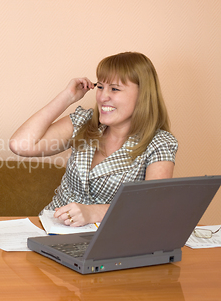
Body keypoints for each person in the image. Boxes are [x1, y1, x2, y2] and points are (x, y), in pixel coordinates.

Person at [10, 52, 178, 227]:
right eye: (100, 86)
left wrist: (94, 213)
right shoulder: (84, 121)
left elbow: (152, 206)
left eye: (114, 89)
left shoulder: (159, 143)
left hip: (109, 241)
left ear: (143, 94)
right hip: (50, 230)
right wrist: (67, 96)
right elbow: (20, 145)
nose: (102, 96)